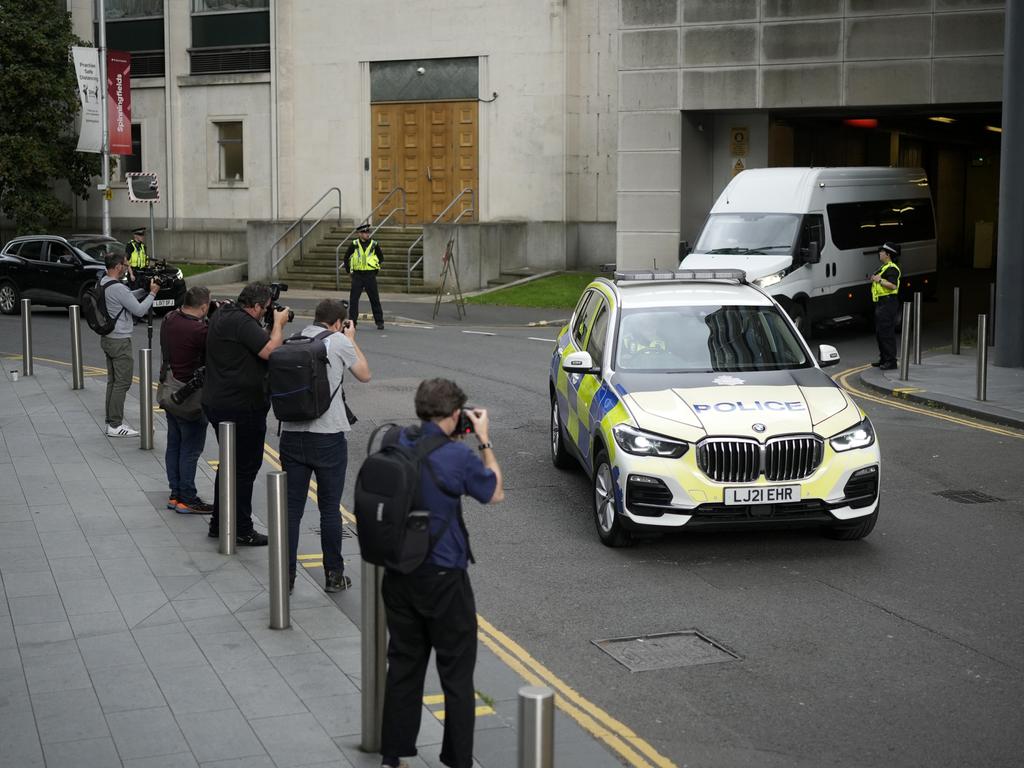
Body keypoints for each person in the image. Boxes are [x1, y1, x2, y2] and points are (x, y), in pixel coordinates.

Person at [380, 378, 505, 768]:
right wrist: (483, 440)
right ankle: (456, 760)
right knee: (455, 674)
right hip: (444, 578)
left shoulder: (395, 441)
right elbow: (494, 492)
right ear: (455, 416)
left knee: (403, 666)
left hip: (398, 574)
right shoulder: (458, 456)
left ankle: (392, 756)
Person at [279, 299, 371, 593]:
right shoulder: (338, 341)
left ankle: (286, 577)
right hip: (328, 436)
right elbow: (364, 374)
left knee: (291, 510)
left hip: (292, 434)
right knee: (330, 509)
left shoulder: (293, 339)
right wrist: (351, 339)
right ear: (339, 322)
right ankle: (333, 575)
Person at [203, 282, 290, 546]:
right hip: (241, 407)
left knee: (228, 465)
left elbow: (252, 344)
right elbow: (271, 350)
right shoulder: (243, 323)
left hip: (219, 401)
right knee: (244, 469)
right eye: (265, 309)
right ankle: (241, 528)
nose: (266, 312)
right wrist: (279, 324)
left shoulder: (225, 314)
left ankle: (220, 523)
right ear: (254, 307)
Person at [160, 286, 213, 514]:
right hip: (190, 397)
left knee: (174, 445)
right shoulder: (199, 331)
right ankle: (187, 498)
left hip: (169, 391)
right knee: (190, 450)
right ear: (203, 307)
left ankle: (175, 495)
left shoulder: (170, 318)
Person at [99, 252, 159, 437]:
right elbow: (140, 310)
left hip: (108, 338)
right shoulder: (118, 288)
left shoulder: (103, 282)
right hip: (120, 340)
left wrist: (142, 290)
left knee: (113, 381)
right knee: (122, 383)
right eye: (125, 265)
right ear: (118, 266)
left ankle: (111, 421)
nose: (127, 267)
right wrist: (152, 293)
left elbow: (125, 298)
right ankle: (115, 425)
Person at [344, 223, 385, 330]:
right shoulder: (354, 244)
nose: (367, 234)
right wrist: (349, 272)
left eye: (368, 232)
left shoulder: (374, 244)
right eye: (364, 232)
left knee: (374, 299)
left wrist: (375, 269)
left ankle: (379, 322)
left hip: (370, 275)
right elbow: (346, 258)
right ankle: (353, 322)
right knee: (354, 300)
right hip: (357, 275)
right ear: (359, 234)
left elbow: (381, 257)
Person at [870, 241, 902, 370]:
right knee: (880, 332)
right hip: (882, 303)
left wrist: (880, 280)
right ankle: (884, 359)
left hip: (888, 303)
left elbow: (893, 285)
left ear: (888, 254)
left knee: (886, 333)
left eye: (882, 252)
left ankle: (891, 361)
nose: (880, 253)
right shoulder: (884, 267)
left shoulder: (892, 268)